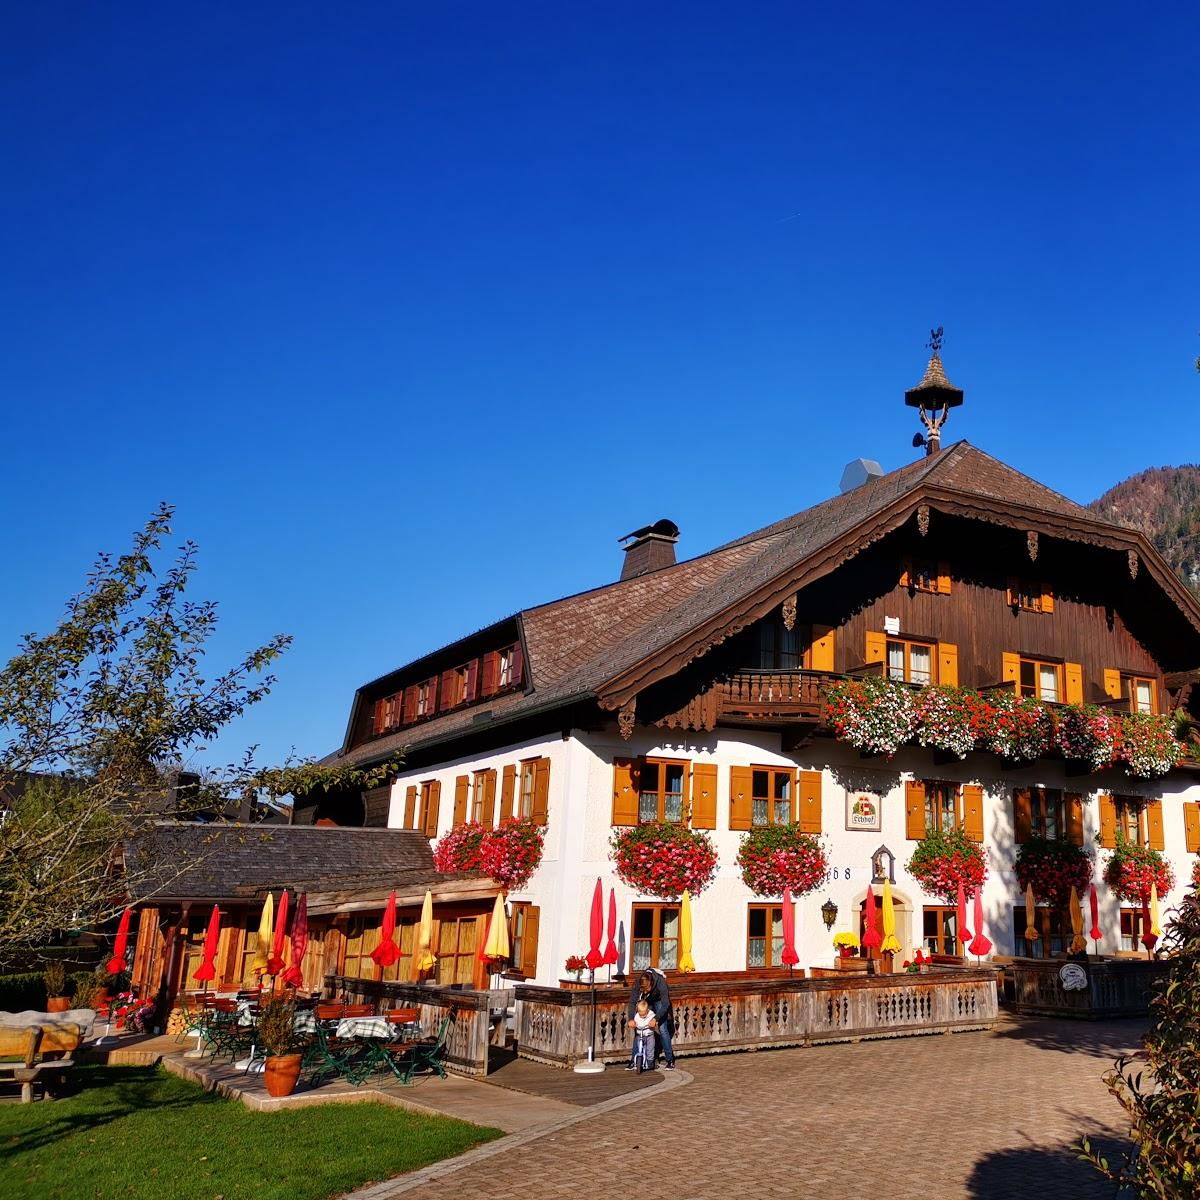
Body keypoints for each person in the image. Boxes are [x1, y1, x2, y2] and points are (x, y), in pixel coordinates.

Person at [626, 968, 674, 1068]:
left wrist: (655, 1018)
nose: (645, 991)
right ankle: (634, 1060)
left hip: (659, 1001)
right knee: (638, 1028)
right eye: (643, 990)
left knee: (662, 1028)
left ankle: (670, 1060)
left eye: (647, 989)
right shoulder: (638, 982)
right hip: (646, 1001)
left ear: (651, 983)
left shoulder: (661, 983)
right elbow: (632, 1002)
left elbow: (666, 1004)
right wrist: (631, 1018)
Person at [626, 998, 657, 1072]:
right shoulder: (636, 1016)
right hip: (640, 1035)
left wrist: (653, 1024)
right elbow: (633, 1023)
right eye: (641, 1015)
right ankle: (635, 1061)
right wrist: (632, 1024)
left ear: (647, 1010)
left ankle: (650, 1062)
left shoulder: (651, 1014)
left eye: (644, 1015)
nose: (642, 1016)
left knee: (650, 1049)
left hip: (649, 1035)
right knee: (639, 1047)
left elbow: (654, 1022)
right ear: (638, 1011)